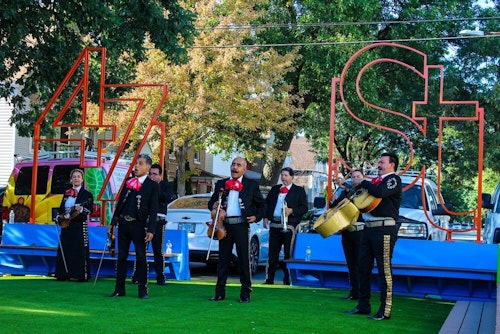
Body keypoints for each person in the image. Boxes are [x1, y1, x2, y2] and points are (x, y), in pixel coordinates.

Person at [345, 152, 402, 320]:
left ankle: (385, 310)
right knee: (363, 267)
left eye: (382, 162)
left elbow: (380, 192)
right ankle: (363, 305)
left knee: (384, 270)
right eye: (379, 162)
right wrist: (351, 186)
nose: (379, 165)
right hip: (368, 228)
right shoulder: (375, 182)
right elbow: (359, 200)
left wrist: (363, 181)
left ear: (392, 165)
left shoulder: (393, 180)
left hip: (384, 230)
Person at [208, 156, 265, 303]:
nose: (235, 167)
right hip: (224, 225)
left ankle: (245, 293)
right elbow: (211, 203)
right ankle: (219, 292)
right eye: (233, 164)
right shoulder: (222, 183)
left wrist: (256, 217)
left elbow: (262, 205)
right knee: (223, 260)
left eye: (238, 165)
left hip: (240, 225)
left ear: (244, 169)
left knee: (243, 260)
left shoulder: (251, 185)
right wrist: (216, 206)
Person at [107, 154, 159, 299]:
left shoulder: (152, 185)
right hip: (124, 223)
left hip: (139, 225)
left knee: (141, 257)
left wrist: (151, 229)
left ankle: (142, 290)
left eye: (140, 164)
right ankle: (119, 289)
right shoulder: (129, 182)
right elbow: (120, 204)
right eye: (136, 163)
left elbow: (153, 209)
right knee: (121, 257)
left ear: (148, 167)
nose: (137, 166)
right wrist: (113, 223)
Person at [263, 167, 308, 285]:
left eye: (286, 175)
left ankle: (288, 279)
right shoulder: (275, 189)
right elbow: (267, 204)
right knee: (272, 253)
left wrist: (291, 210)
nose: (283, 177)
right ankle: (269, 279)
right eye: (282, 175)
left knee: (288, 253)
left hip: (289, 225)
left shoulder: (298, 190)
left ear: (292, 177)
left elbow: (304, 208)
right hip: (274, 224)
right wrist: (266, 217)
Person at [131, 163, 174, 285]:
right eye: (150, 174)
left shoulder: (165, 186)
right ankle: (137, 276)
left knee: (157, 250)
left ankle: (160, 277)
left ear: (160, 175)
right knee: (141, 250)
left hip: (158, 221)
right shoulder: (144, 185)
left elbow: (167, 198)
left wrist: (155, 189)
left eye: (155, 174)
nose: (152, 176)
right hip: (144, 221)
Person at [329, 169, 365, 300]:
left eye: (358, 176)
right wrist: (332, 201)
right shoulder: (345, 192)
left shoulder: (364, 191)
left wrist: (347, 188)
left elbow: (359, 202)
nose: (355, 179)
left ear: (363, 177)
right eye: (353, 177)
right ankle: (354, 291)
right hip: (347, 231)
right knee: (351, 263)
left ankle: (362, 292)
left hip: (360, 231)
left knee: (360, 263)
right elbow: (335, 206)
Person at [55, 168, 94, 282]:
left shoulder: (87, 195)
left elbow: (89, 211)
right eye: (74, 176)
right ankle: (64, 273)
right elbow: (61, 208)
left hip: (79, 225)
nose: (76, 178)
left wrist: (81, 209)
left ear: (82, 179)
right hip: (66, 226)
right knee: (65, 248)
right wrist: (59, 216)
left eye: (78, 176)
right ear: (71, 179)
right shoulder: (66, 194)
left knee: (79, 250)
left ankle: (80, 274)